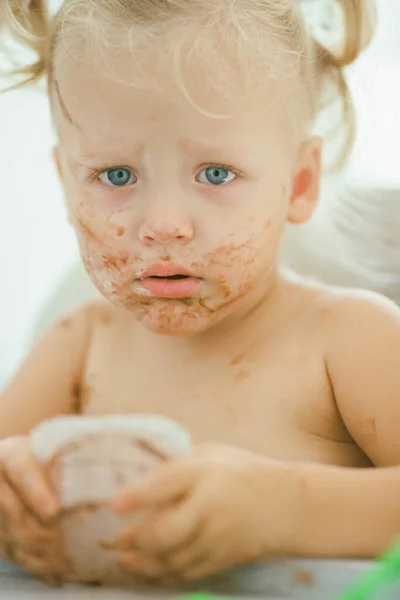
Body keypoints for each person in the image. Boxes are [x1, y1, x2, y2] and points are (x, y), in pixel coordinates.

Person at [1, 0, 400, 589]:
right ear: (66, 183)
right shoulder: (78, 346)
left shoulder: (347, 340)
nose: (163, 224)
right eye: (116, 176)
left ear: (300, 183)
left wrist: (284, 508)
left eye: (215, 173)